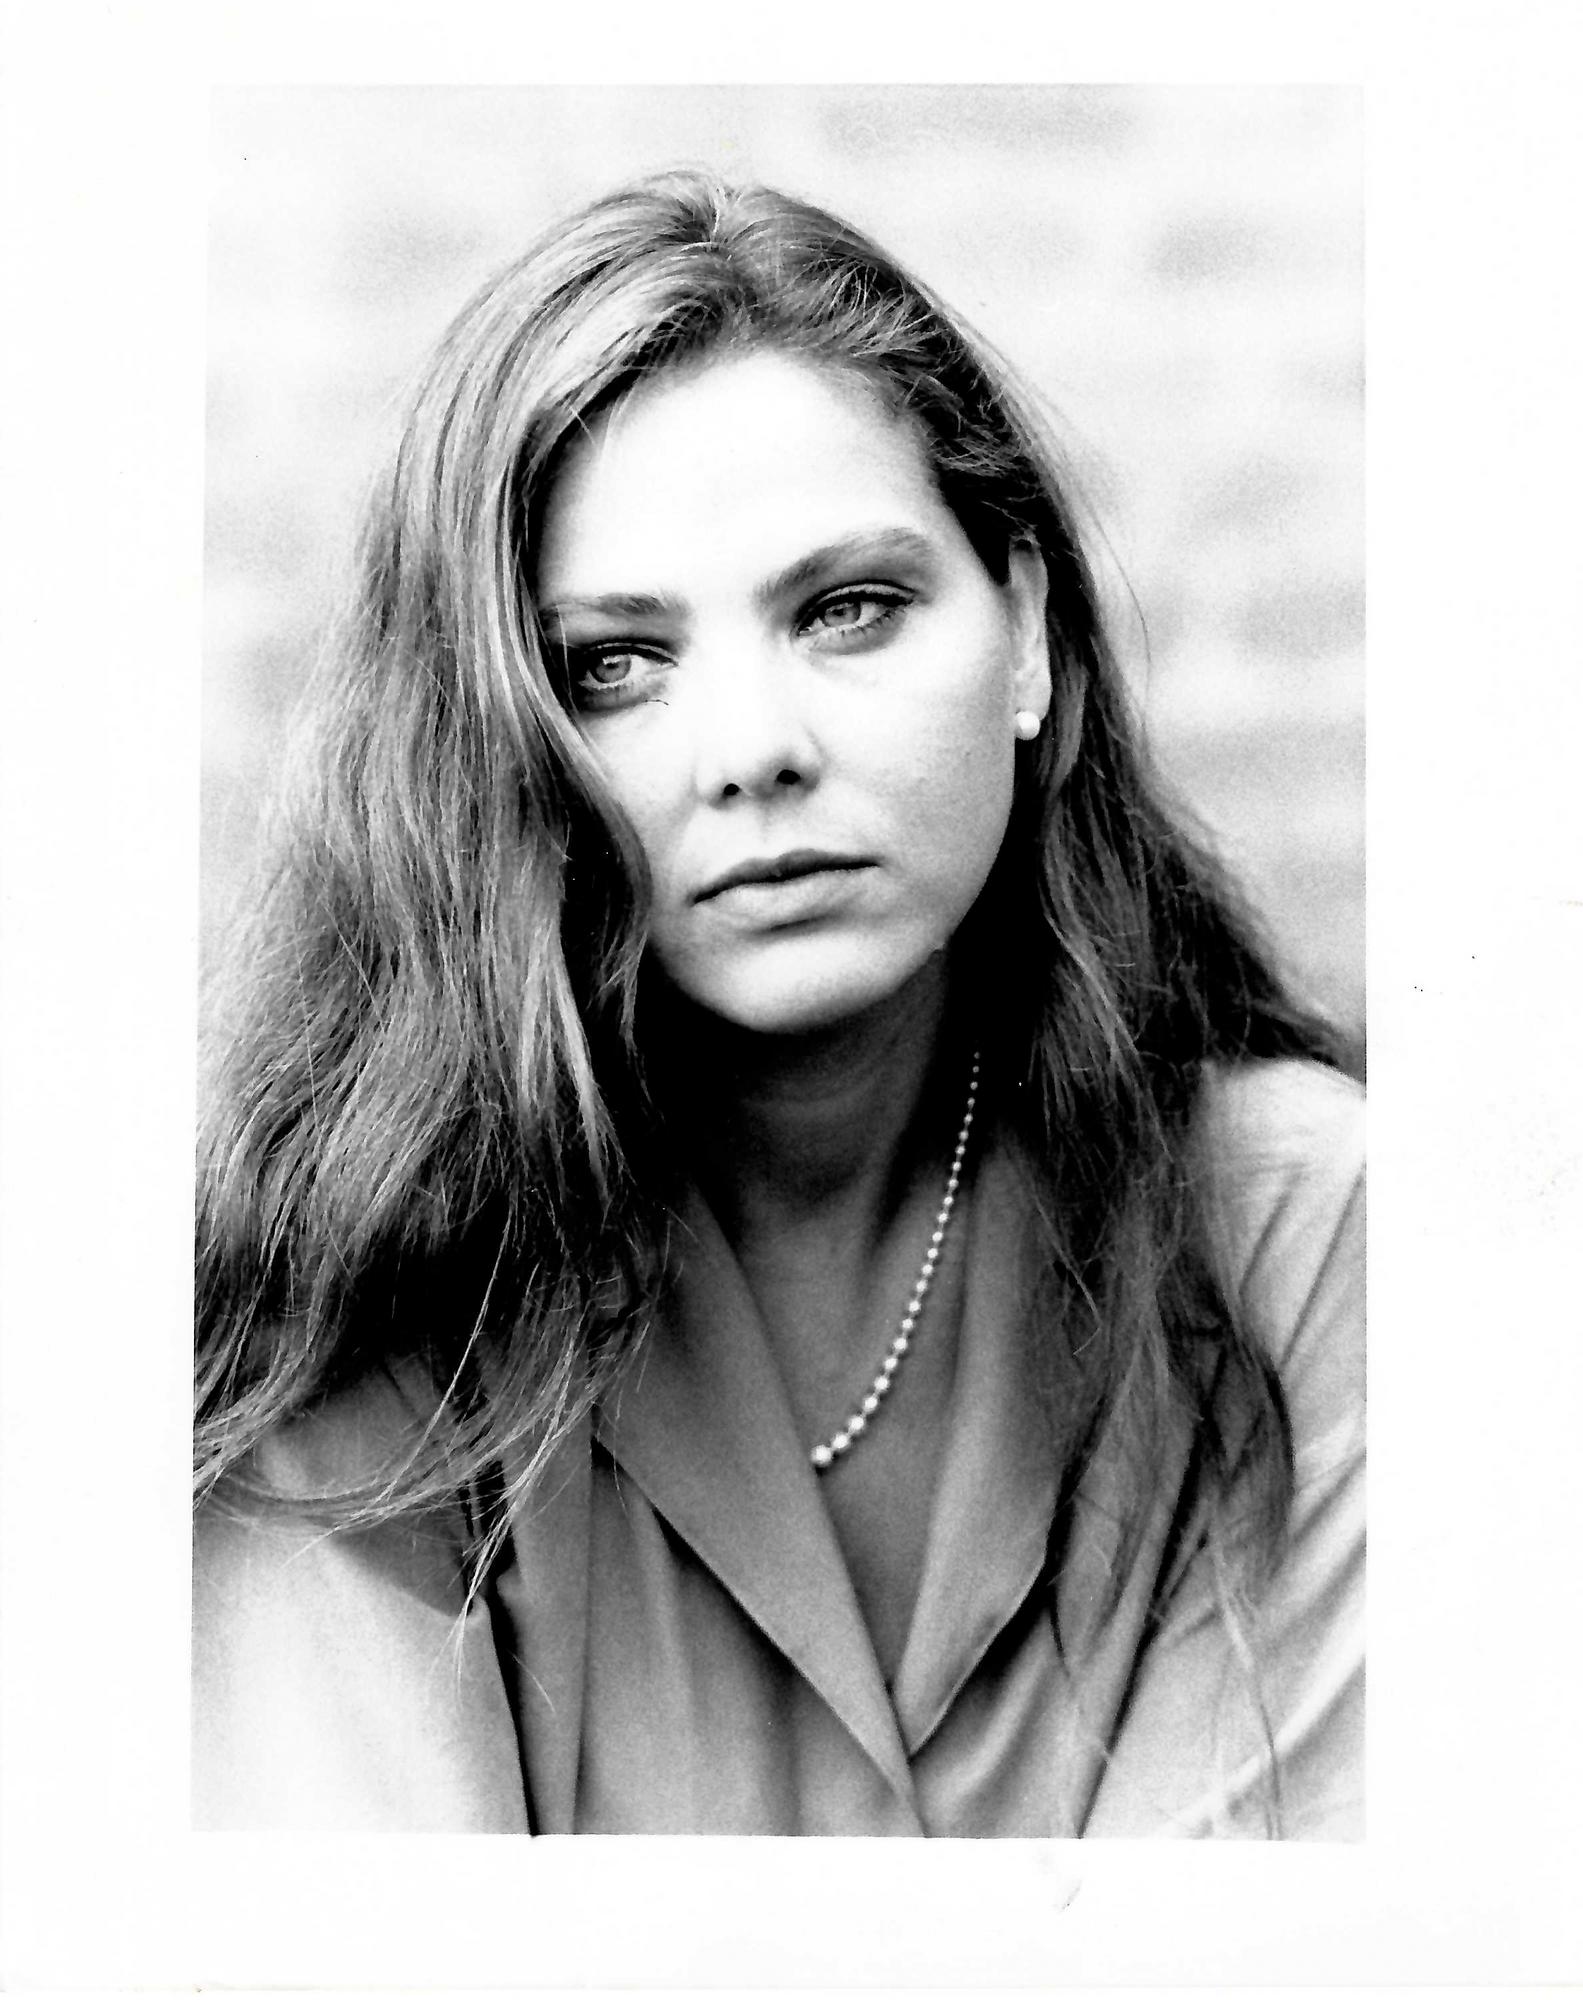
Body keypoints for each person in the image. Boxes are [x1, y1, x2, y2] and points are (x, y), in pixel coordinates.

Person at [192, 169, 1364, 1837]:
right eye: (613, 665)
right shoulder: (344, 1282)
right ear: (490, 744)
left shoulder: (1304, 1229)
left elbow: (1290, 1945)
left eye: (849, 610)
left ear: (1027, 632)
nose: (754, 749)